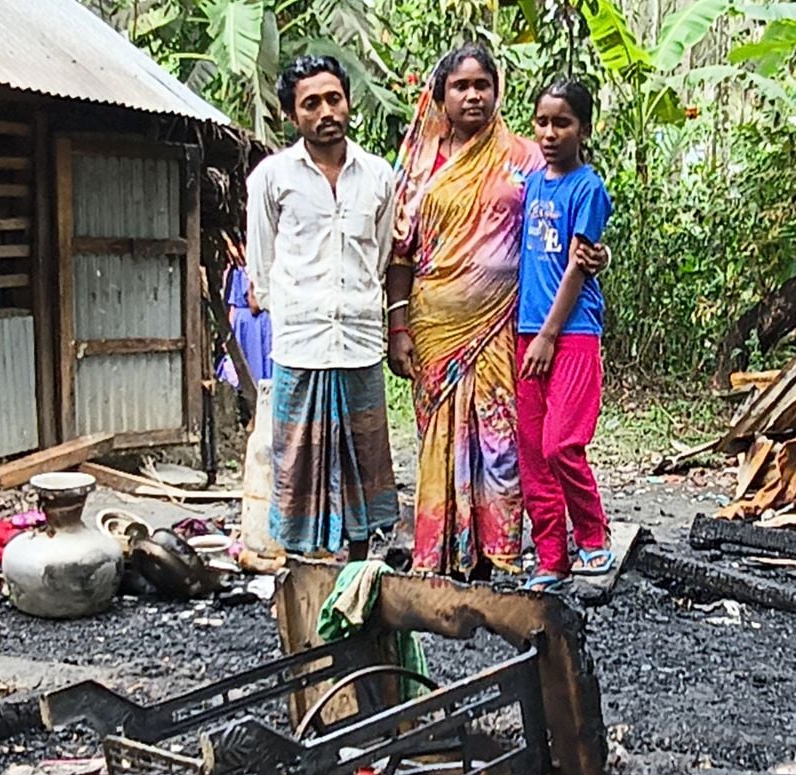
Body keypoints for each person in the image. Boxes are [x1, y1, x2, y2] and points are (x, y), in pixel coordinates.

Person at [386, 45, 606, 579]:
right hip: (436, 325)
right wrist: (397, 324)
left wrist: (598, 253)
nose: (473, 96)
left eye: (482, 85)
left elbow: (570, 220)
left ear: (496, 91)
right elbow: (399, 251)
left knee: (505, 439)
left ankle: (499, 552)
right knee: (440, 438)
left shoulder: (527, 157)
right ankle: (441, 550)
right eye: (460, 86)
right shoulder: (419, 162)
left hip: (508, 325)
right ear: (440, 95)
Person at [246, 55, 399, 562]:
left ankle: (356, 571)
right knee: (298, 463)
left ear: (348, 102)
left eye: (334, 98)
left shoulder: (378, 177)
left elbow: (380, 256)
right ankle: (300, 570)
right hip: (302, 342)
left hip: (357, 341)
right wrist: (288, 309)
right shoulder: (272, 178)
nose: (326, 111)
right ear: (293, 115)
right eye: (311, 103)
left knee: (362, 460)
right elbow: (262, 262)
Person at [515, 80, 615, 592]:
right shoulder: (532, 184)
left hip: (570, 332)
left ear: (584, 129)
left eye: (562, 123)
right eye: (542, 122)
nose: (550, 133)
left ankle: (594, 538)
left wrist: (549, 335)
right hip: (525, 331)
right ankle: (552, 557)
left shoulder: (588, 189)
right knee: (532, 453)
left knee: (561, 444)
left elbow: (579, 266)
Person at [218, 241, 274, 390]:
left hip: (260, 320)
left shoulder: (262, 267)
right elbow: (234, 306)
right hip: (245, 322)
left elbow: (253, 304)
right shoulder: (238, 269)